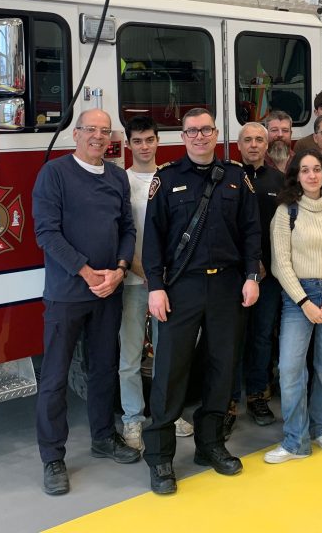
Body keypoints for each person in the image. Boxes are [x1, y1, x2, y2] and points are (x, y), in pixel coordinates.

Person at [142, 108, 262, 495]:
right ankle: (160, 456)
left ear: (215, 133)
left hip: (228, 287)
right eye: (191, 131)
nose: (199, 136)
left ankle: (210, 445)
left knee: (221, 368)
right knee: (170, 370)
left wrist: (251, 276)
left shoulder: (235, 177)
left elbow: (250, 232)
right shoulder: (167, 179)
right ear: (183, 135)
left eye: (205, 129)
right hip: (181, 289)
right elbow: (153, 239)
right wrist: (156, 287)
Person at [32, 108, 140, 496]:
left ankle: (102, 438)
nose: (97, 136)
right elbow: (46, 233)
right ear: (75, 134)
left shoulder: (115, 176)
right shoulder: (54, 175)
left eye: (104, 131)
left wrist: (120, 270)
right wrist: (86, 271)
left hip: (109, 291)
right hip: (67, 293)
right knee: (56, 376)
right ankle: (52, 457)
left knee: (103, 369)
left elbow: (127, 228)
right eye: (90, 130)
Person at [264, 148, 322, 463]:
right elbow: (281, 263)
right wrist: (304, 301)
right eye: (305, 170)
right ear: (296, 175)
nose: (312, 175)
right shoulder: (285, 211)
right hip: (298, 297)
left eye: (316, 169)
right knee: (291, 369)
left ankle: (321, 429)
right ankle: (295, 440)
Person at [124, 118, 194, 445]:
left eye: (149, 139)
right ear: (128, 145)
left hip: (169, 282)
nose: (144, 146)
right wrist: (147, 274)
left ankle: (169, 413)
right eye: (137, 141)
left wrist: (164, 278)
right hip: (134, 281)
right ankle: (133, 419)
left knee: (169, 353)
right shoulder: (121, 182)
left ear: (158, 142)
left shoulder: (171, 178)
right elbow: (122, 235)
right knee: (130, 355)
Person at [228, 122, 285, 433]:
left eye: (259, 140)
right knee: (232, 338)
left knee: (262, 336)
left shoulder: (279, 180)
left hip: (270, 275)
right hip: (235, 274)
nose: (253, 145)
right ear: (238, 145)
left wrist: (266, 263)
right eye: (247, 140)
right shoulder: (226, 176)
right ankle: (229, 399)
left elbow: (286, 228)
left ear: (267, 145)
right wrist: (247, 263)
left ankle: (256, 394)